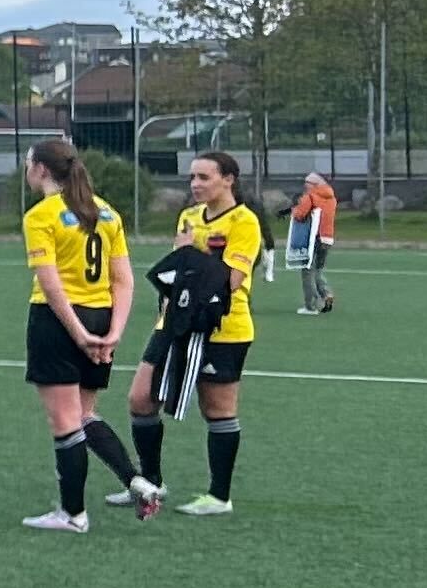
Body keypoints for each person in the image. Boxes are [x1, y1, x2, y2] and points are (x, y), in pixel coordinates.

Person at [19, 136, 151, 530]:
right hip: (101, 318)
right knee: (83, 414)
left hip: (58, 322)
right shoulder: (106, 212)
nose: (26, 171)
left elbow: (51, 284)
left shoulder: (41, 216)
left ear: (41, 169)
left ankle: (73, 514)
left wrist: (76, 332)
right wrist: (114, 332)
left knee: (65, 421)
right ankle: (135, 479)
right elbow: (123, 280)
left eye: (28, 164)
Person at [127, 151, 258, 515]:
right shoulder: (188, 216)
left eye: (204, 177)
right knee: (140, 399)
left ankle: (219, 497)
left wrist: (190, 255)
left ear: (228, 180)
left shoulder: (244, 221)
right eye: (192, 178)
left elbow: (230, 280)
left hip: (222, 328)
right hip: (173, 323)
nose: (195, 184)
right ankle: (151, 483)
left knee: (217, 409)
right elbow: (178, 272)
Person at [288, 170, 338, 313]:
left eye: (308, 182)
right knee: (318, 270)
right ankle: (326, 293)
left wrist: (294, 210)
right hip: (327, 238)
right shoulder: (332, 198)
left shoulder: (310, 197)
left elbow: (300, 215)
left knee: (307, 271)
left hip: (313, 238)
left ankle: (311, 305)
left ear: (315, 184)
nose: (305, 185)